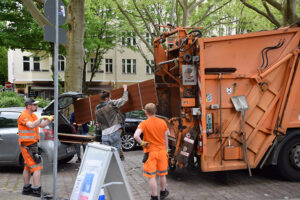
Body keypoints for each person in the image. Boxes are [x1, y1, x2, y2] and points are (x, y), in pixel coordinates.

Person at [18, 98, 53, 197]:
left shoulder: (32, 115)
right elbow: (31, 125)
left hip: (31, 145)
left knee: (28, 167)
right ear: (29, 106)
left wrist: (49, 119)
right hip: (27, 145)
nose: (36, 107)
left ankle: (26, 189)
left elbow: (41, 125)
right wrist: (42, 118)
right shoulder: (24, 115)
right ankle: (37, 190)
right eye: (34, 105)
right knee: (37, 166)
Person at [134, 103, 169, 200]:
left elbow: (136, 136)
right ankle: (163, 192)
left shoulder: (144, 123)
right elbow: (165, 138)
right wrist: (166, 150)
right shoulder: (163, 122)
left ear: (146, 112)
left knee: (152, 176)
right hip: (162, 151)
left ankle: (154, 197)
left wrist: (142, 143)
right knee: (162, 174)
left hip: (150, 153)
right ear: (155, 111)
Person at [95, 84, 128, 154]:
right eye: (110, 97)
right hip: (114, 133)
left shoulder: (97, 108)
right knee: (115, 154)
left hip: (104, 134)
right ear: (107, 99)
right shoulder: (111, 103)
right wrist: (125, 89)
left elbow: (97, 122)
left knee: (106, 155)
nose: (111, 99)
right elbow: (124, 99)